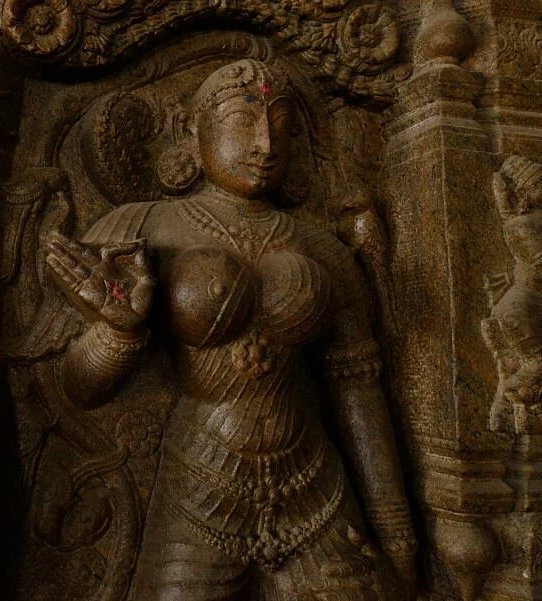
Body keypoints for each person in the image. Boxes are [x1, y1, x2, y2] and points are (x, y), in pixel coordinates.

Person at [46, 59, 417, 600]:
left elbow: (358, 390)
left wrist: (396, 530)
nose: (266, 144)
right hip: (199, 485)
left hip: (314, 485)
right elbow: (79, 391)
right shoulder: (142, 229)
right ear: (192, 130)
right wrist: (118, 333)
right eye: (243, 121)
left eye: (281, 126)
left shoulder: (323, 249)